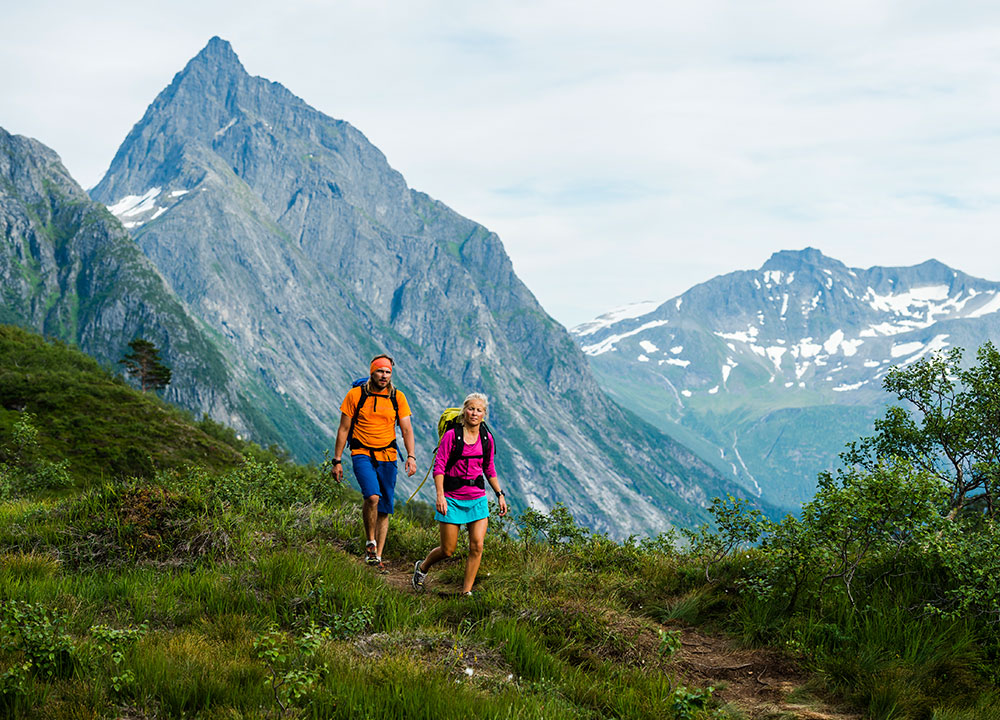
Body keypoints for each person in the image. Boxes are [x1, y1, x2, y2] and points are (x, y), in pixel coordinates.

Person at [412, 393, 507, 596]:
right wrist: (440, 496)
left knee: (477, 546)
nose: (474, 413)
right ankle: (423, 567)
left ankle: (466, 592)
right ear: (465, 411)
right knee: (447, 550)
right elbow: (439, 467)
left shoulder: (486, 438)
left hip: (477, 498)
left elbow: (489, 468)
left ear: (484, 414)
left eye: (479, 410)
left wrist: (499, 493)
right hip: (452, 498)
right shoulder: (451, 436)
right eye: (471, 409)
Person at [332, 354, 417, 571]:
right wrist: (337, 460)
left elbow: (406, 429)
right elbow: (343, 429)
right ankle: (371, 541)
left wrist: (411, 456)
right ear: (372, 372)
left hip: (388, 455)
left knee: (385, 507)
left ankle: (376, 557)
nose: (384, 376)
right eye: (380, 371)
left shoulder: (398, 397)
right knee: (372, 496)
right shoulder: (355, 395)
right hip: (361, 452)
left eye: (388, 372)